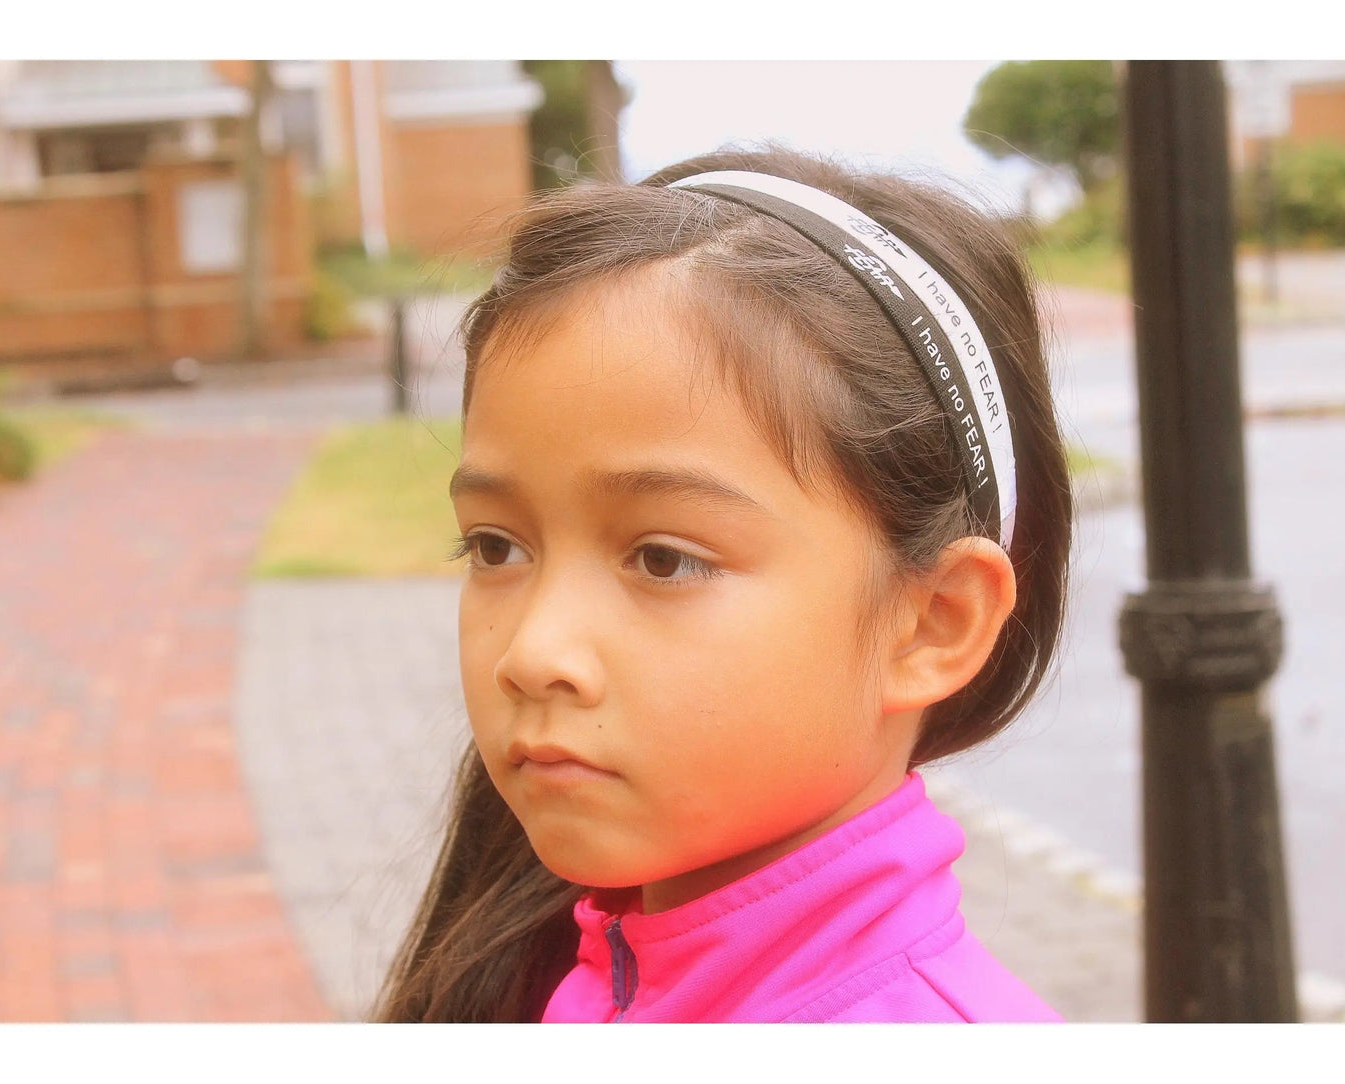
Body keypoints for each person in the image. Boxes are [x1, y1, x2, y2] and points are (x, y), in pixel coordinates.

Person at [374, 146, 1073, 1024]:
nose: (534, 652)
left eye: (663, 559)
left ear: (931, 622)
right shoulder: (569, 974)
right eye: (495, 547)